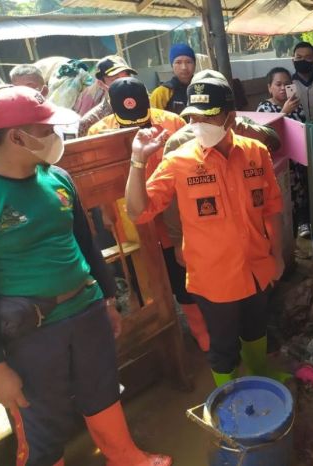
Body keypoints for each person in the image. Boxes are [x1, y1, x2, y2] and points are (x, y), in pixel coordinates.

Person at [0, 85, 170, 466]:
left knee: (102, 391)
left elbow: (85, 244)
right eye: (46, 130)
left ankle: (124, 456)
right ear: (16, 137)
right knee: (42, 418)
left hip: (86, 312)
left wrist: (106, 300)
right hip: (32, 331)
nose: (55, 136)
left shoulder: (59, 178)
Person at [125, 70, 286, 388]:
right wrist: (137, 161)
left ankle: (260, 377)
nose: (197, 124)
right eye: (192, 117)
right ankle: (230, 399)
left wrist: (277, 255)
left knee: (256, 330)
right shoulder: (178, 161)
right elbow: (138, 212)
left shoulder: (257, 153)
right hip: (214, 278)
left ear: (230, 117)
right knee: (223, 347)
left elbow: (272, 209)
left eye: (207, 117)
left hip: (257, 267)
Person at [86, 78, 210, 351]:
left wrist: (182, 232)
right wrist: (107, 214)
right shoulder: (98, 132)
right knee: (144, 288)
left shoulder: (173, 123)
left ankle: (202, 336)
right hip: (129, 224)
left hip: (173, 219)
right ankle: (161, 345)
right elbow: (97, 185)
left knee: (184, 282)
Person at [257, 67, 311, 238]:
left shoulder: (296, 105)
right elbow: (265, 134)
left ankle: (301, 230)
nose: (282, 88)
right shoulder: (264, 108)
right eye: (278, 84)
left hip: (298, 163)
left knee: (301, 199)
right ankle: (288, 241)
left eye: (287, 84)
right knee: (285, 204)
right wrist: (283, 112)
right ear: (269, 87)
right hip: (280, 166)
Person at [77, 55, 137, 137]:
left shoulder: (146, 107)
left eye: (126, 76)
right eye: (115, 79)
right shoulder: (90, 121)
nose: (124, 82)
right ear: (101, 84)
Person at [150, 44, 196, 115]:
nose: (184, 67)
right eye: (178, 62)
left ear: (195, 64)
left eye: (188, 62)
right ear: (172, 65)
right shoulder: (161, 93)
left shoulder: (204, 88)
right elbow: (155, 120)